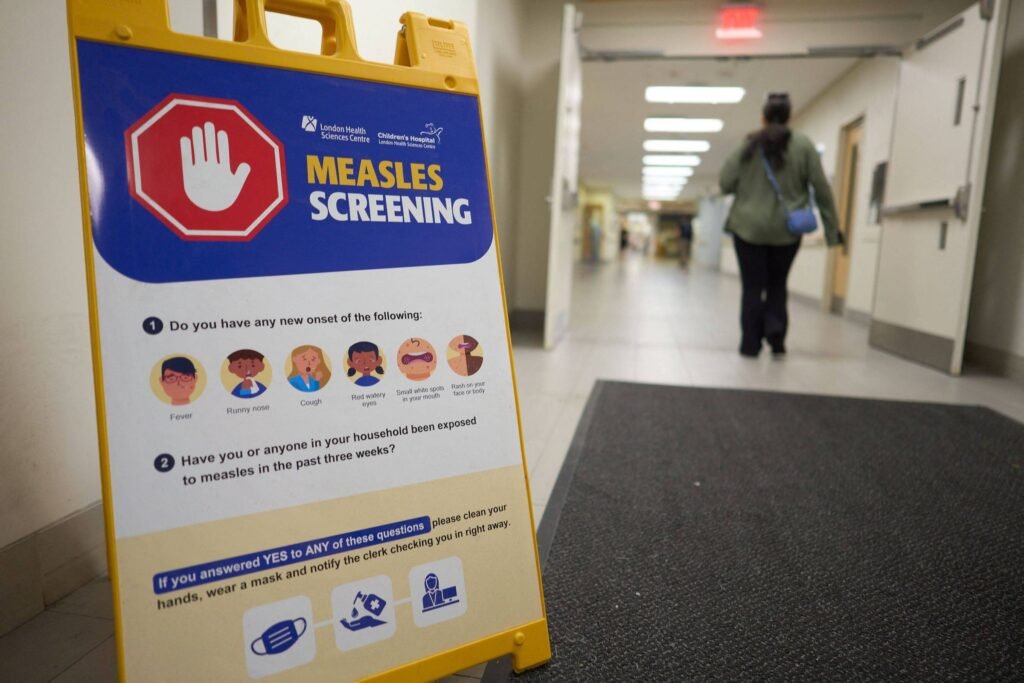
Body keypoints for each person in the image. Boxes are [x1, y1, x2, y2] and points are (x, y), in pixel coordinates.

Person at [719, 92, 840, 357]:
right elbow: (821, 188)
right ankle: (776, 337)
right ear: (789, 116)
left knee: (752, 287)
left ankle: (750, 344)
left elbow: (725, 183)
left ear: (763, 116)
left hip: (748, 228)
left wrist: (749, 188)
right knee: (777, 284)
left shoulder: (748, 145)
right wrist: (832, 231)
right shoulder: (804, 145)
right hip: (788, 231)